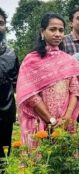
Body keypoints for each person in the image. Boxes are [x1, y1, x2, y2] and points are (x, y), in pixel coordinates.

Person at [17, 13, 79, 146]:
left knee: (64, 162)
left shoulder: (68, 60)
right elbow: (30, 95)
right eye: (52, 29)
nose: (57, 34)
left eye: (61, 30)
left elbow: (75, 90)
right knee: (42, 164)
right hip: (41, 122)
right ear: (42, 32)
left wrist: (67, 117)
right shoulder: (32, 60)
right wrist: (52, 121)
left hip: (65, 123)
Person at [0, 8, 19, 161]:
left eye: (0, 23)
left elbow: (17, 83)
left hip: (5, 114)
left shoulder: (11, 54)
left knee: (3, 159)